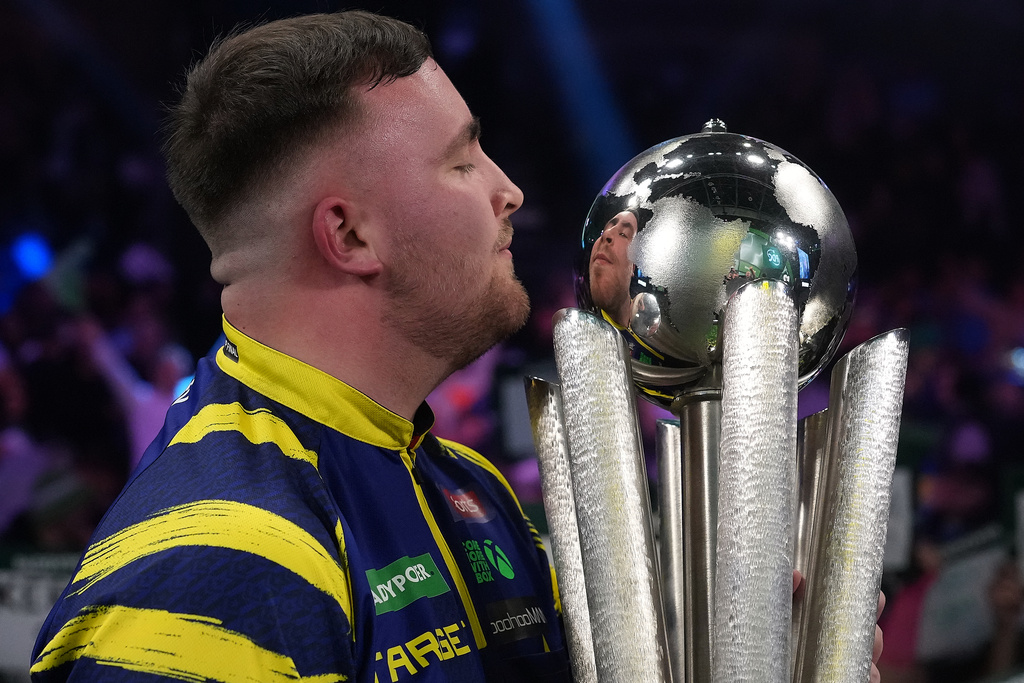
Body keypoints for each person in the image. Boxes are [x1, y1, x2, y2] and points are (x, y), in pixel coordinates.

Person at [29, 10, 884, 683]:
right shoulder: (220, 562)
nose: (509, 191)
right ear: (350, 235)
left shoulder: (468, 489)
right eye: (462, 160)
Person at [588, 209, 638, 328]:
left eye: (623, 234)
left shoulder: (652, 333)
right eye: (603, 231)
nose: (606, 234)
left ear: (633, 267)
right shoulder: (582, 332)